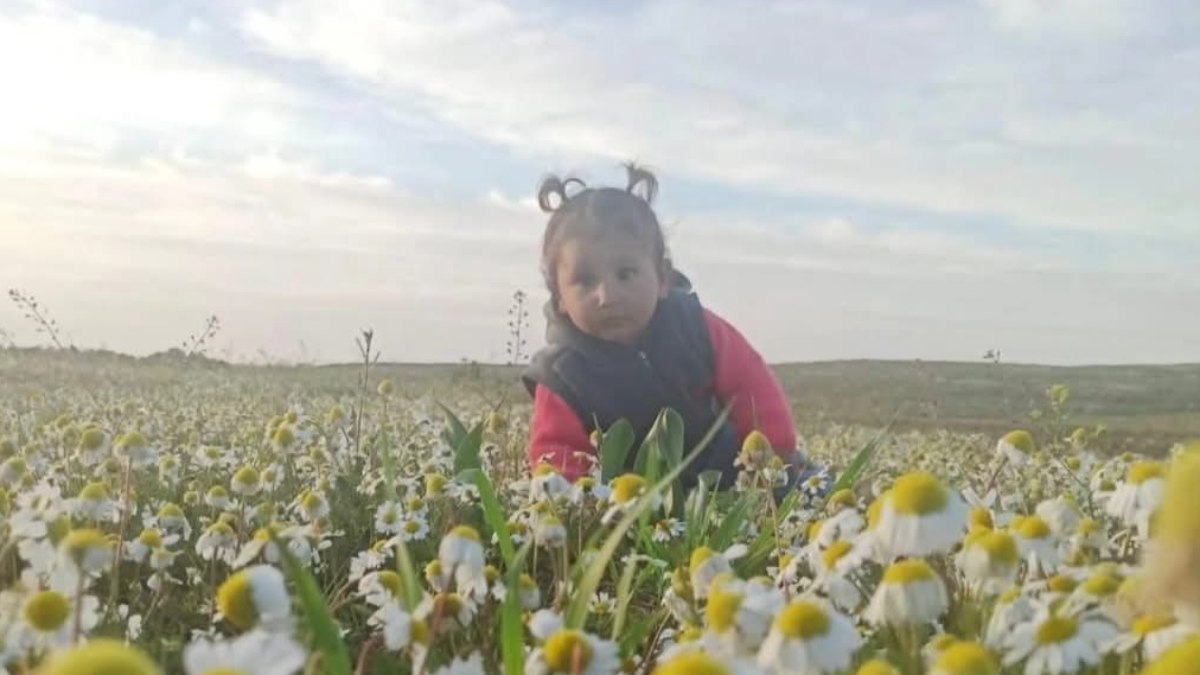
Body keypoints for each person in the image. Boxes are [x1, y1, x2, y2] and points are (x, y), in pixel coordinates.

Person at [521, 163, 821, 493]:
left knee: (815, 491)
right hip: (635, 504)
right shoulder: (561, 376)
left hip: (734, 476)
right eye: (585, 281)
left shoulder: (695, 326)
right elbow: (557, 457)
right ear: (559, 297)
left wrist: (775, 454)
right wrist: (579, 506)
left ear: (662, 278)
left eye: (625, 274)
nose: (606, 296)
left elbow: (751, 385)